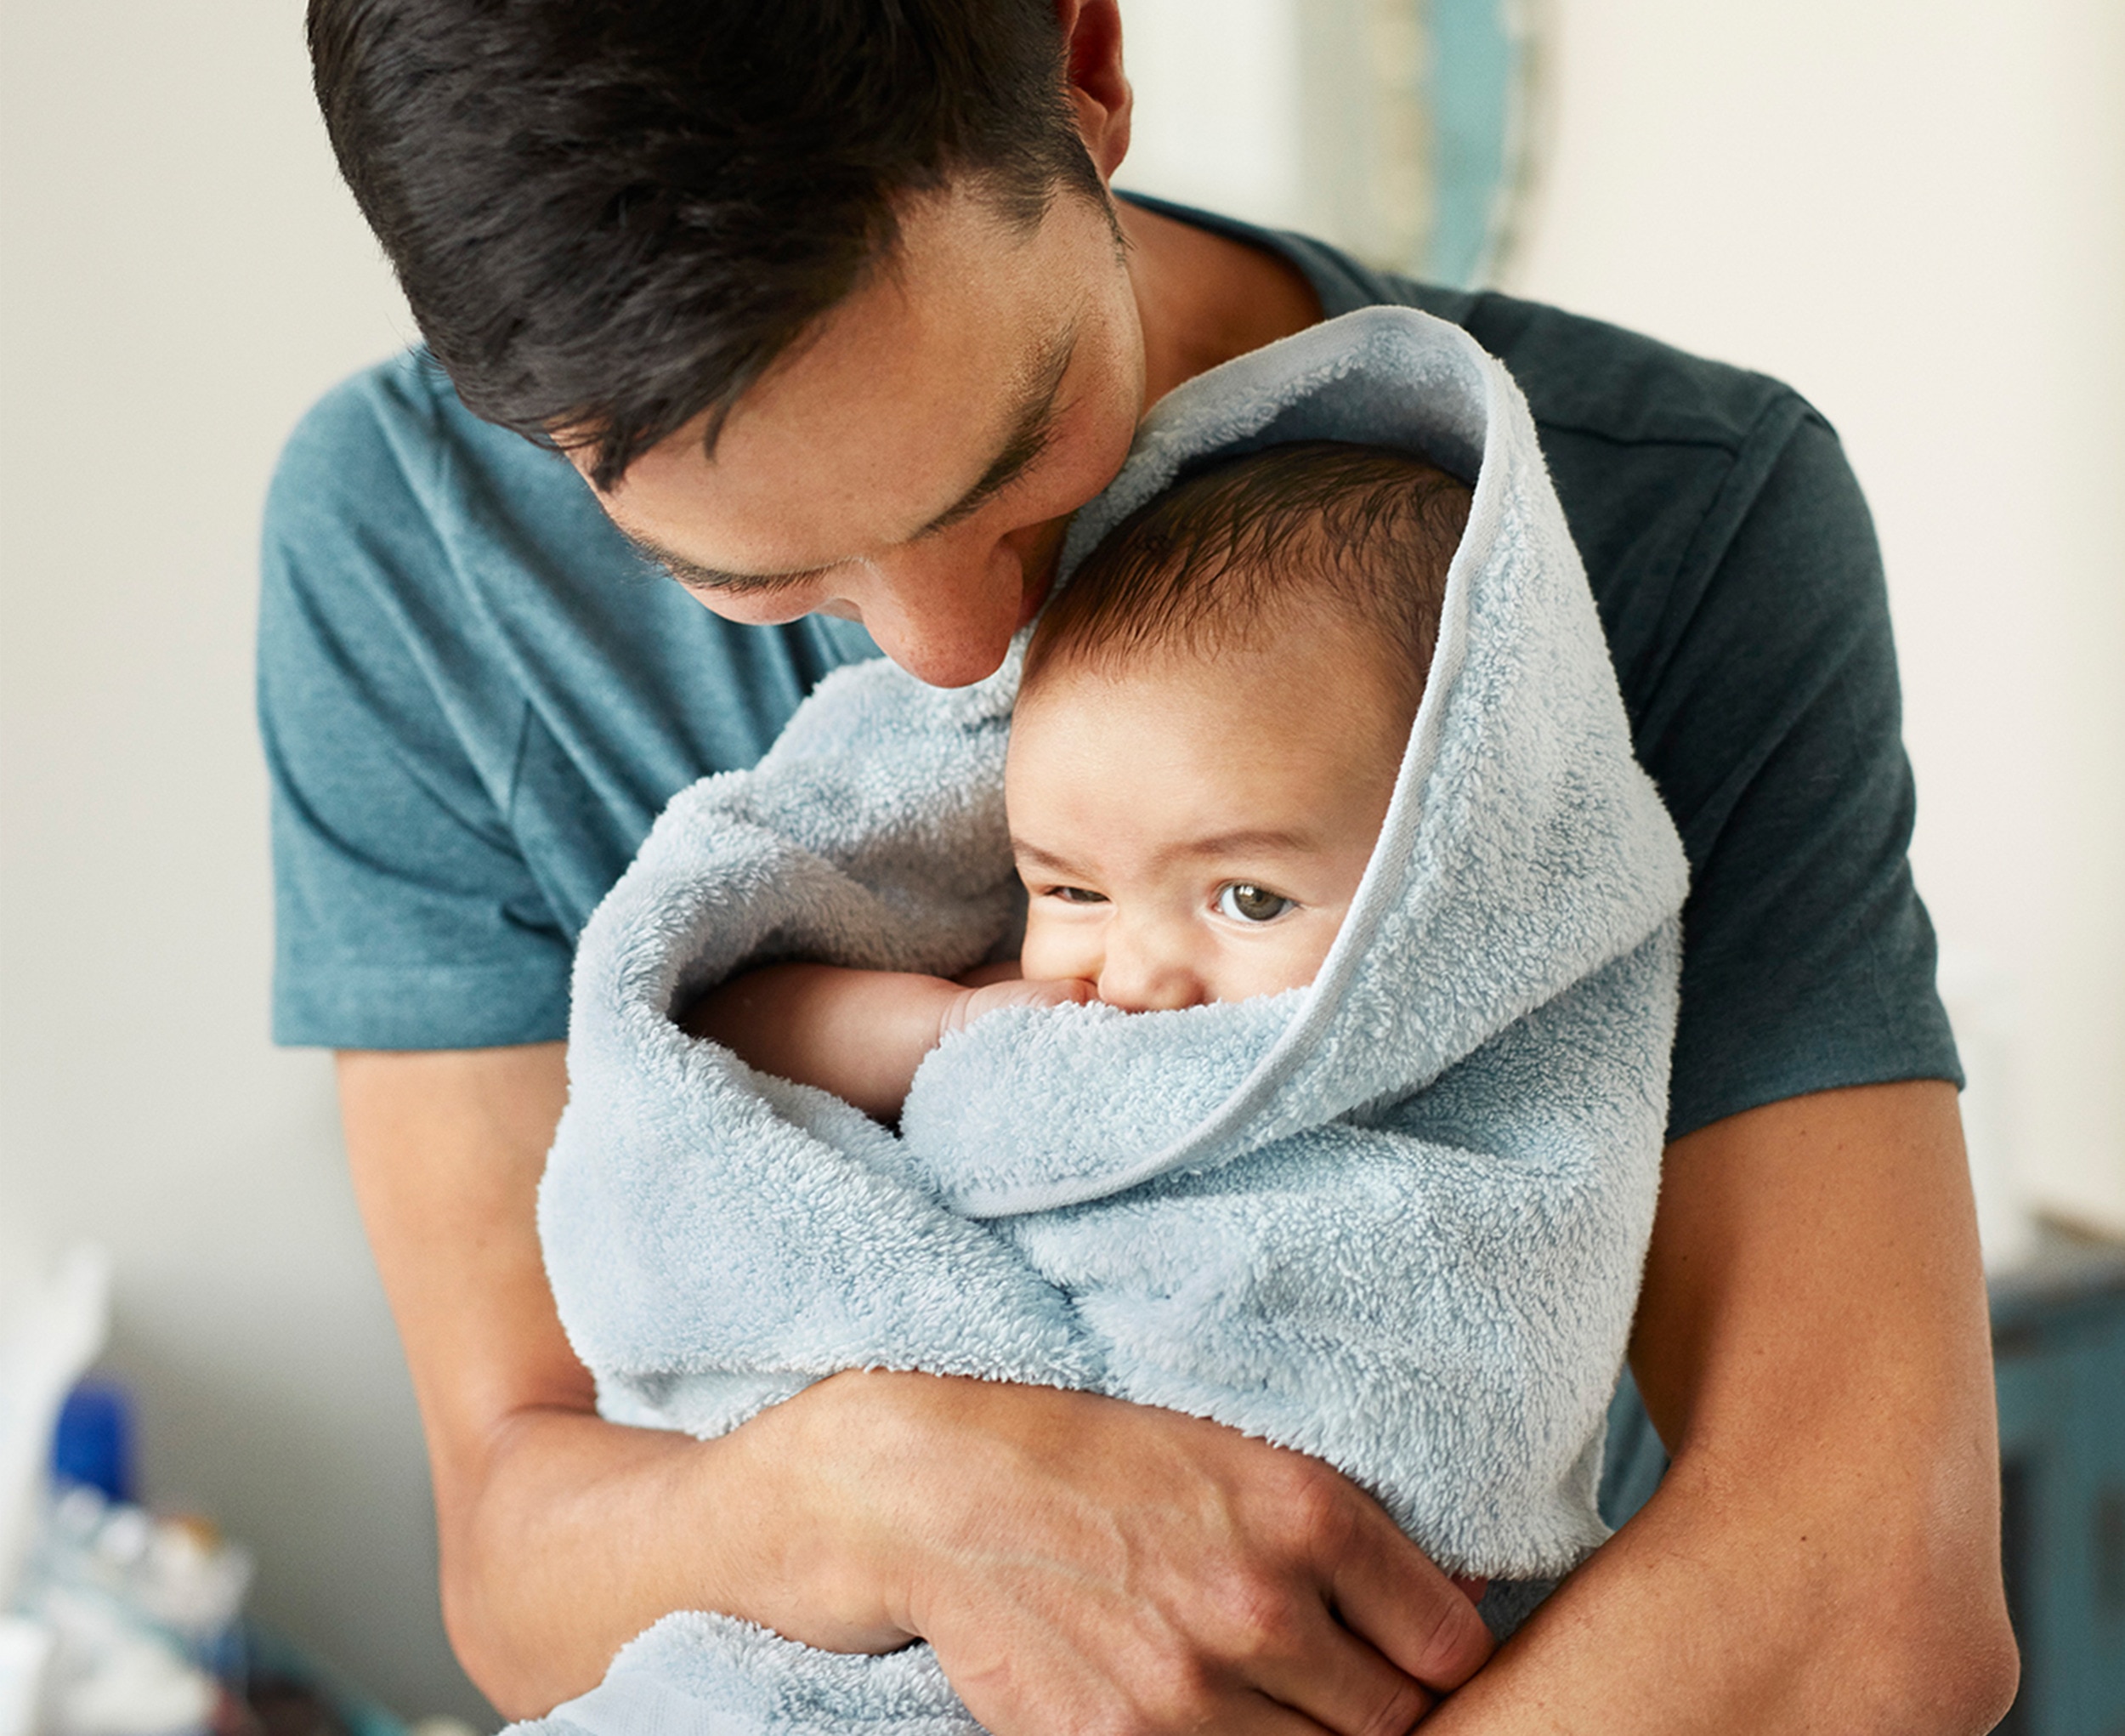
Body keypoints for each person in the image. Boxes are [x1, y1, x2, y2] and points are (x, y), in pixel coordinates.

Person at [272, 3, 2016, 1731]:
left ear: (1085, 62)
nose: (956, 655)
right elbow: (518, 1571)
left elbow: (1863, 1597)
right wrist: (891, 1488)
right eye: (757, 578)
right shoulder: (418, 558)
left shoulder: (1664, 513)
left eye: (1023, 444)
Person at [688, 440, 1471, 1114]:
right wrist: (943, 1029)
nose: (1134, 980)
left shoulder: (1484, 1080)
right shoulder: (1030, 1015)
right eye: (1074, 893)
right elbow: (724, 1040)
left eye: (1251, 900)